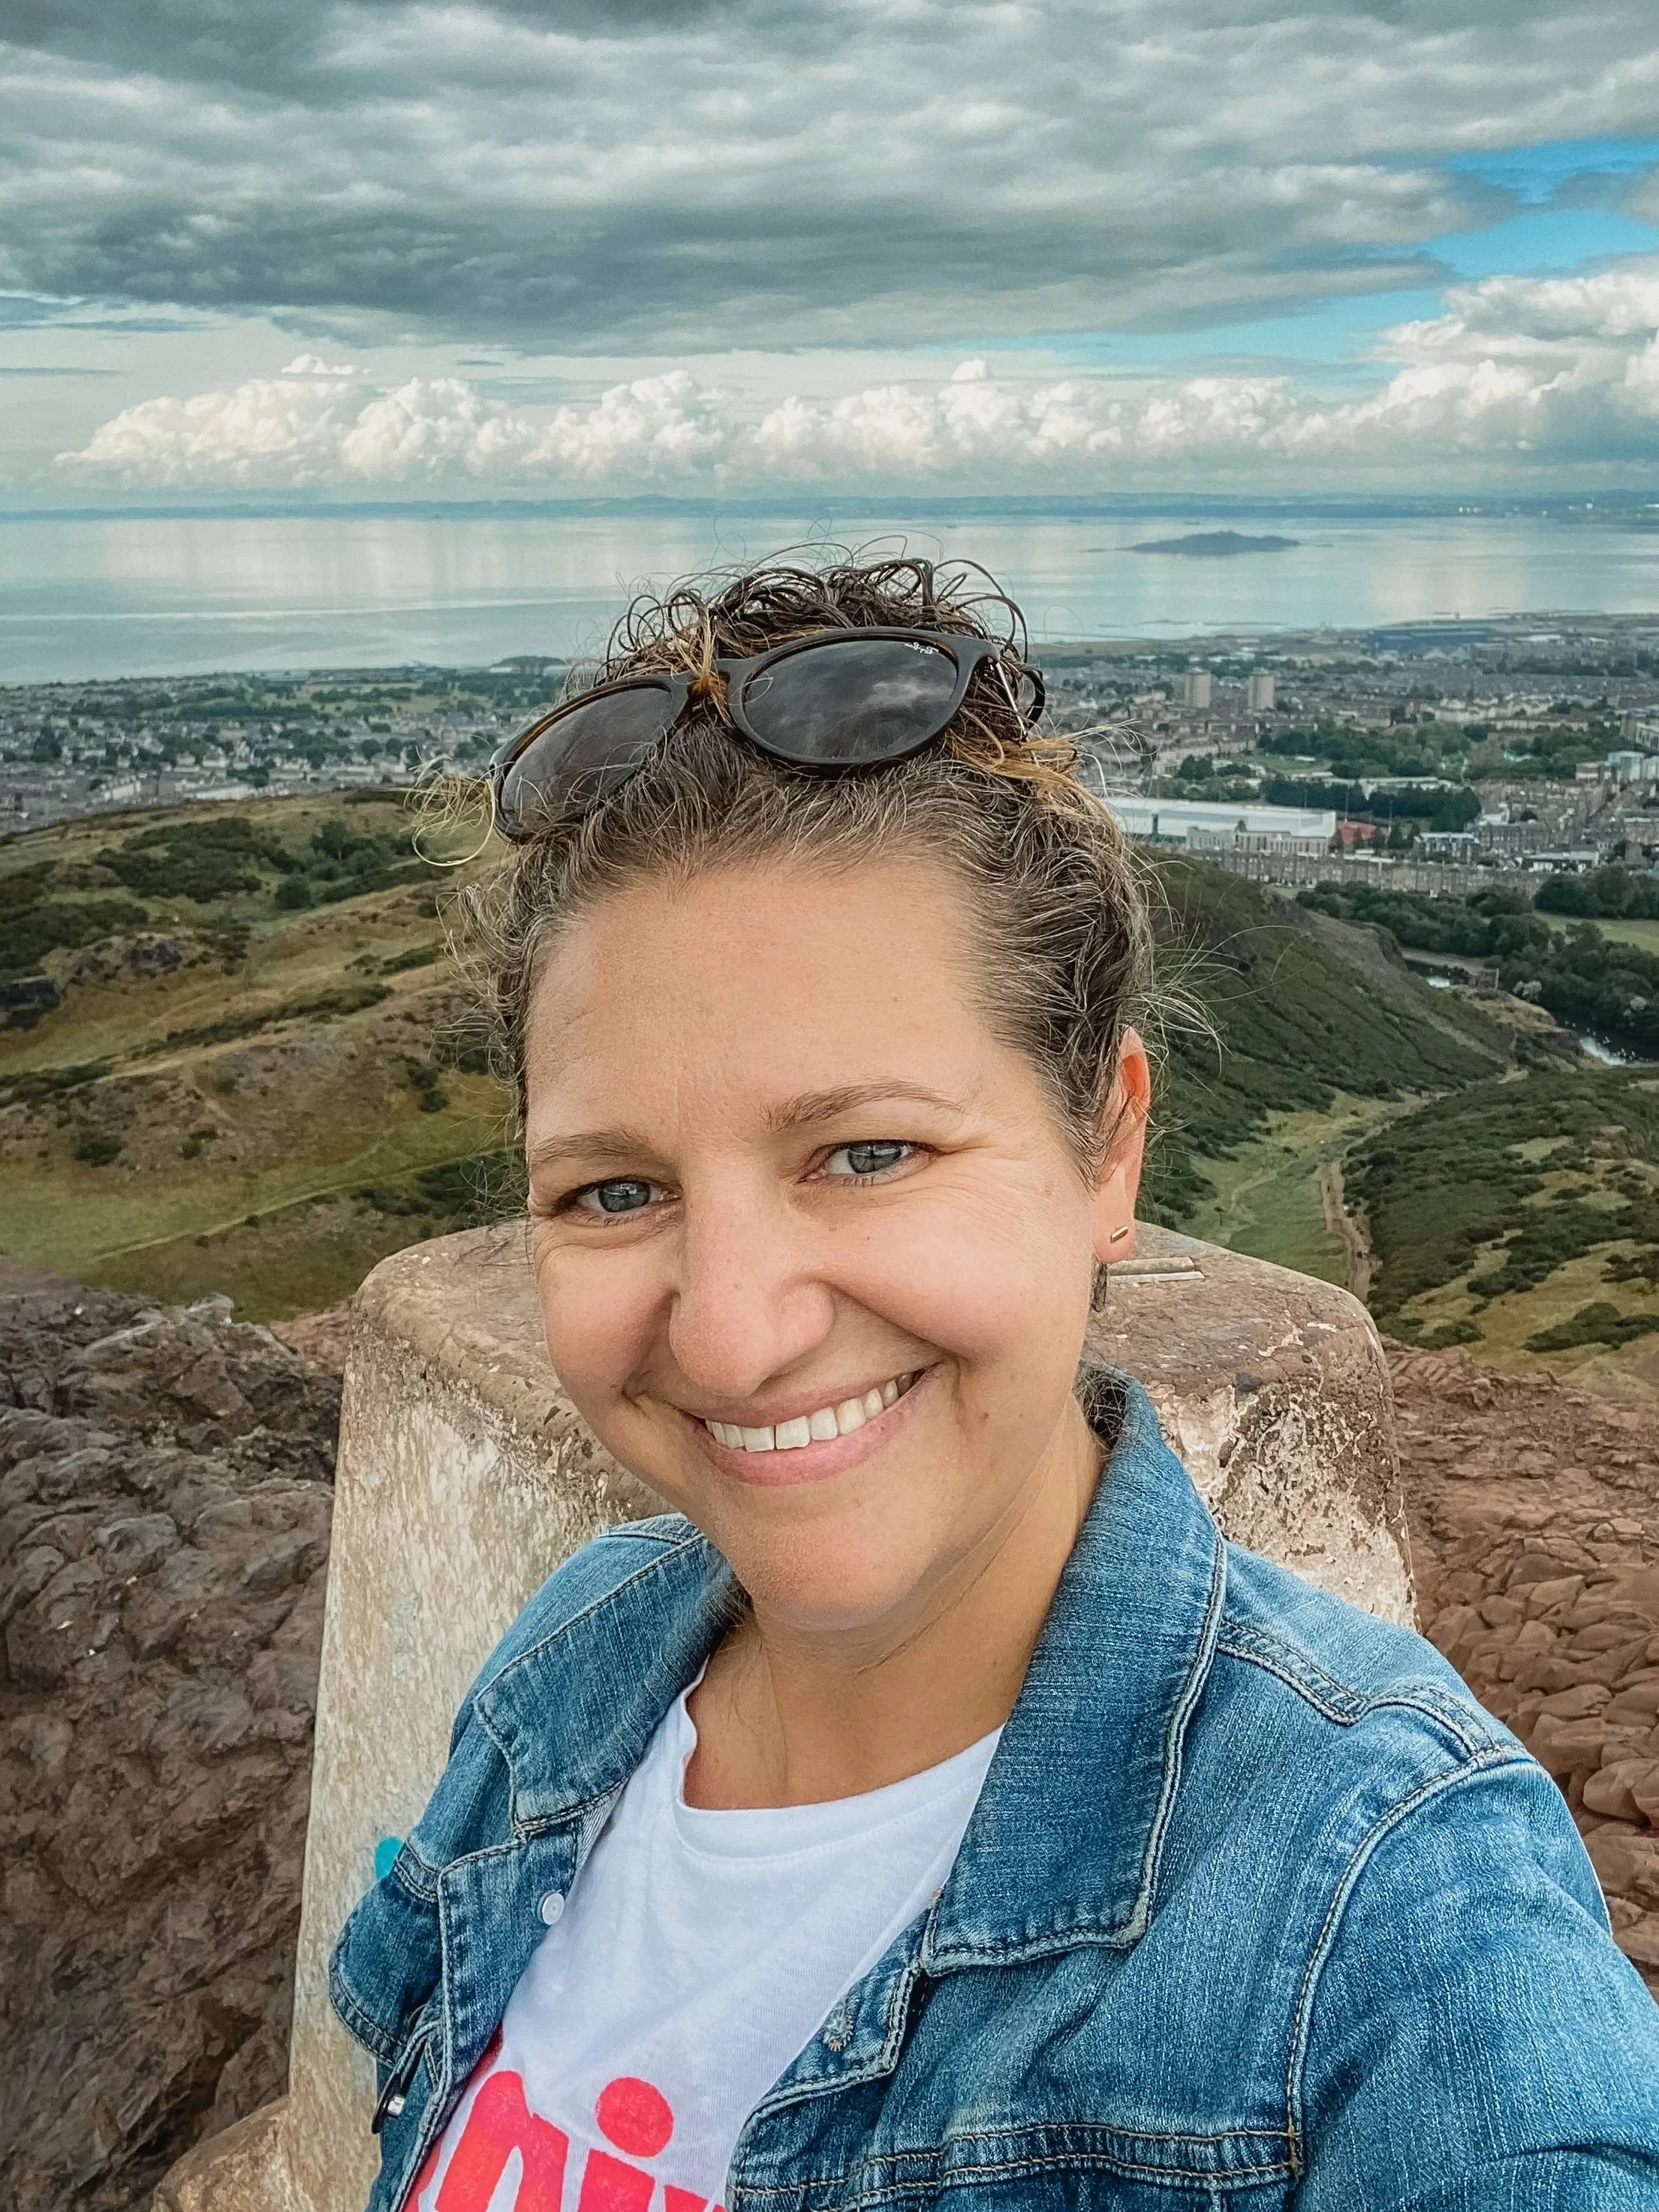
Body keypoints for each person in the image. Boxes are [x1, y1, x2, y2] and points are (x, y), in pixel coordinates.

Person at [331, 554, 1659, 2212]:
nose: (734, 1335)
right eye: (613, 1191)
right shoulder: (581, 1658)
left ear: (1107, 1146)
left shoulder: (1383, 1905)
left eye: (867, 1151)